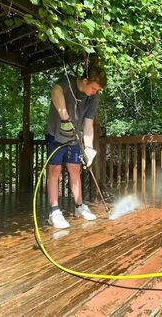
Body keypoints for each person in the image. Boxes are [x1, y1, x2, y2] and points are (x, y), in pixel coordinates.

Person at [45, 65, 107, 229]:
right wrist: (65, 119)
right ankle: (54, 211)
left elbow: (88, 125)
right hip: (55, 134)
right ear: (85, 81)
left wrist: (89, 149)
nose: (94, 92)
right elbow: (55, 92)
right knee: (54, 170)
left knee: (74, 169)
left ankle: (79, 207)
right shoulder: (67, 82)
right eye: (93, 88)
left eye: (97, 90)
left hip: (74, 138)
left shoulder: (93, 98)